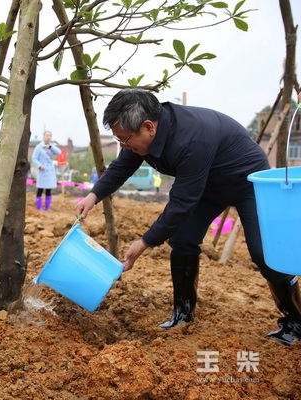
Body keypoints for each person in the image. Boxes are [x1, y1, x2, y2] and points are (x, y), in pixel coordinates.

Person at [76, 88, 301, 346]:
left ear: (148, 127)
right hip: (208, 186)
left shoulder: (192, 138)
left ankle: (295, 322)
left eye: (124, 140)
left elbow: (182, 203)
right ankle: (182, 312)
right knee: (183, 239)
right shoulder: (141, 133)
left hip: (245, 182)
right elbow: (122, 166)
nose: (123, 146)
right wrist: (93, 196)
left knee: (264, 253)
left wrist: (145, 242)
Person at [32, 130, 61, 211]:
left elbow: (59, 152)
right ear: (43, 136)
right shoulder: (39, 147)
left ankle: (48, 207)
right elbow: (34, 158)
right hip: (43, 171)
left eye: (49, 135)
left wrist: (51, 147)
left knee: (48, 189)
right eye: (46, 135)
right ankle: (39, 206)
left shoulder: (52, 147)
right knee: (40, 189)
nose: (48, 137)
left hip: (50, 170)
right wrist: (40, 165)